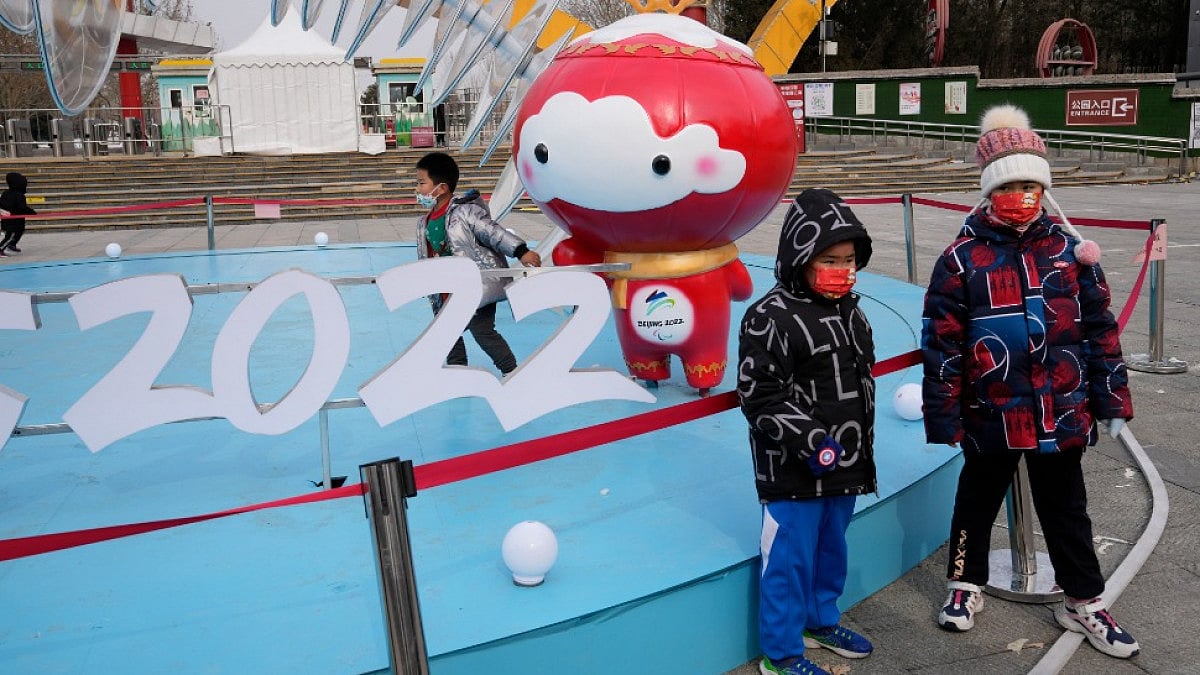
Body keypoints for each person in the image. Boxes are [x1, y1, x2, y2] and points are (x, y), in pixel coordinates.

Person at [921, 104, 1139, 659]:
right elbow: (943, 343)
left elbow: (1099, 330)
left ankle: (1084, 598)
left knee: (1066, 507)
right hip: (989, 412)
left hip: (1060, 410)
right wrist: (943, 414)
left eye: (1032, 184)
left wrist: (1111, 398)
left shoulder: (1071, 254)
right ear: (990, 188)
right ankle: (964, 584)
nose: (1023, 196)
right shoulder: (960, 259)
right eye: (1011, 184)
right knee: (975, 501)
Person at [737, 188, 877, 675]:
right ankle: (781, 653)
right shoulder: (768, 316)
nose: (844, 269)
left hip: (846, 467)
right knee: (788, 561)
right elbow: (760, 396)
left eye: (850, 258)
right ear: (800, 257)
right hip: (792, 473)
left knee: (831, 549)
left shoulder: (852, 311)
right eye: (830, 259)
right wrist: (812, 440)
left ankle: (821, 619)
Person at [414, 151, 541, 374]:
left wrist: (520, 251)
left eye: (421, 183)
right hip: (444, 289)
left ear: (441, 188)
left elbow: (492, 232)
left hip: (475, 285)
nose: (417, 189)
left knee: (481, 330)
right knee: (447, 331)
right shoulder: (424, 222)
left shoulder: (465, 212)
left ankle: (511, 370)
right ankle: (457, 372)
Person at [0, 171, 36, 256]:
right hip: (13, 220)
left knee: (19, 232)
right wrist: (32, 212)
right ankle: (1, 248)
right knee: (10, 235)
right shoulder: (19, 195)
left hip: (15, 219)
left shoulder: (6, 193)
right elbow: (22, 207)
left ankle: (11, 245)